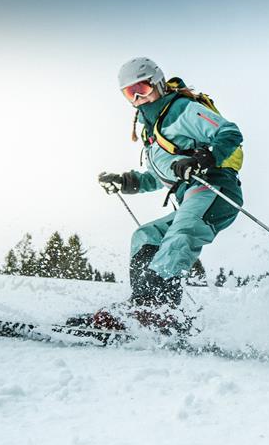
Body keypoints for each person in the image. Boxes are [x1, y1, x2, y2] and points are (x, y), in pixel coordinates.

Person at [88, 57, 244, 331]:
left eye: (144, 88)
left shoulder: (181, 110)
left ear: (158, 84)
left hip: (214, 187)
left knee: (178, 236)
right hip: (191, 194)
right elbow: (161, 177)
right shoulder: (153, 130)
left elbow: (229, 132)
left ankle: (158, 309)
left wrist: (202, 158)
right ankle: (145, 304)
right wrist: (126, 182)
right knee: (145, 236)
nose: (138, 97)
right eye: (130, 93)